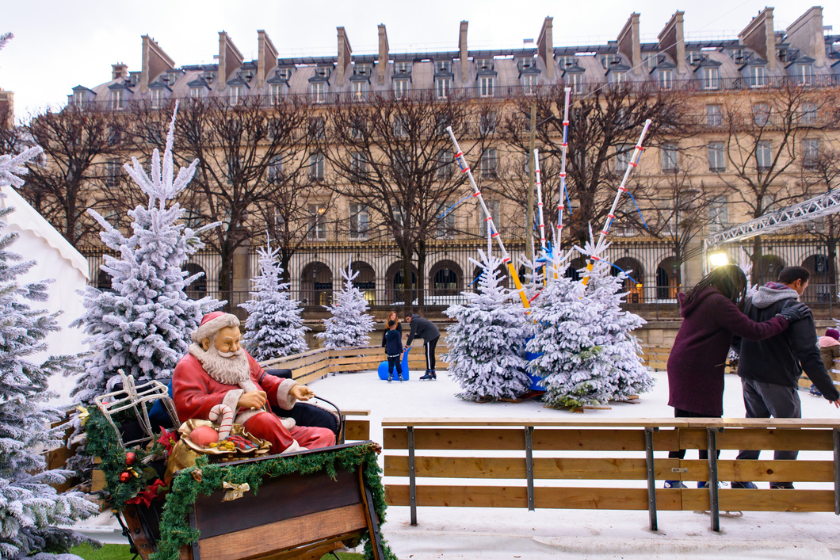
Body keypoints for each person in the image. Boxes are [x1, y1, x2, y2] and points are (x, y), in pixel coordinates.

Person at [664, 264, 809, 489]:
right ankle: (706, 480)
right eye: (741, 287)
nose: (741, 293)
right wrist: (785, 318)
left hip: (683, 364)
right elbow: (754, 331)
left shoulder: (704, 297)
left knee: (685, 423)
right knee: (711, 425)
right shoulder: (719, 302)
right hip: (700, 369)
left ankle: (675, 478)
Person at [731, 266, 840, 489]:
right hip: (778, 377)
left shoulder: (751, 302)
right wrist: (829, 390)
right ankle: (781, 482)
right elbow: (809, 354)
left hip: (749, 375)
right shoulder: (796, 308)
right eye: (806, 285)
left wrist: (748, 355)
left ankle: (741, 478)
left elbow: (734, 334)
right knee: (788, 428)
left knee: (754, 424)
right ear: (798, 283)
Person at [173, 312, 336, 454]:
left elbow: (263, 379)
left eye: (237, 341)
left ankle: (298, 470)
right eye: (228, 343)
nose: (235, 348)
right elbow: (188, 405)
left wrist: (291, 388)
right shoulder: (189, 366)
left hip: (272, 427)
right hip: (231, 435)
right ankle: (293, 461)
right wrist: (237, 400)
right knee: (262, 420)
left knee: (324, 436)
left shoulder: (240, 355)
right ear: (207, 343)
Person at [405, 313, 441, 381]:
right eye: (406, 319)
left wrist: (407, 344)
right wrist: (411, 337)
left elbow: (412, 333)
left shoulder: (414, 321)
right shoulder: (418, 320)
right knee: (431, 353)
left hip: (430, 335)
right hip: (435, 334)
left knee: (428, 353)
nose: (407, 321)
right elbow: (420, 335)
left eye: (408, 319)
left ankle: (429, 371)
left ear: (411, 317)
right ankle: (433, 371)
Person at [818, 328, 840, 395]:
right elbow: (837, 353)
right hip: (827, 363)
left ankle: (815, 388)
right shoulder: (834, 344)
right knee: (826, 378)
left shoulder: (822, 341)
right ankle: (820, 390)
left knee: (820, 376)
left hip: (820, 361)